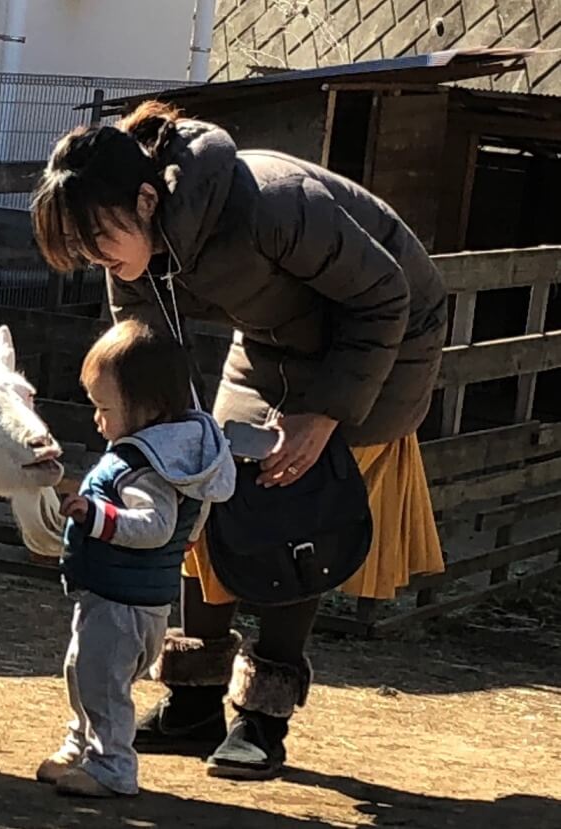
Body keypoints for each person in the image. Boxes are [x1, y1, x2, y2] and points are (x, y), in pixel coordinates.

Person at [30, 101, 448, 780]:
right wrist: (149, 459)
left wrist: (324, 413)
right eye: (77, 248)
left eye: (97, 238)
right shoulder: (129, 255)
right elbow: (148, 373)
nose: (92, 258)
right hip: (271, 343)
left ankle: (262, 715)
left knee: (289, 502)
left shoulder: (269, 203)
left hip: (383, 336)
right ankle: (193, 699)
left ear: (145, 199)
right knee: (206, 486)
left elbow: (382, 297)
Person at [37, 319, 235, 798]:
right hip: (135, 600)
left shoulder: (145, 466)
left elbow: (155, 526)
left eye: (105, 408)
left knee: (103, 683)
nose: (97, 420)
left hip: (120, 600)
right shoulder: (183, 454)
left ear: (146, 408)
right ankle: (81, 746)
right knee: (83, 670)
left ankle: (112, 768)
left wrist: (95, 516)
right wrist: (187, 539)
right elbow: (194, 513)